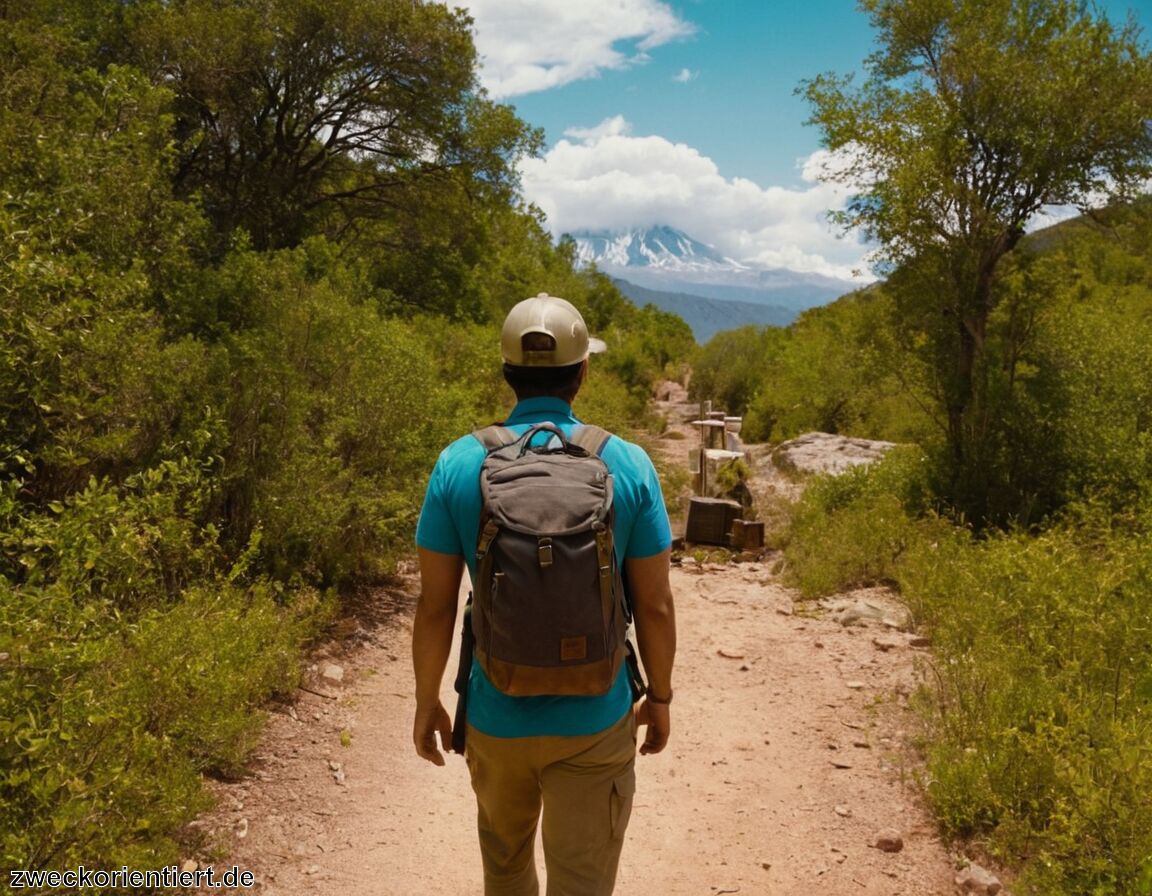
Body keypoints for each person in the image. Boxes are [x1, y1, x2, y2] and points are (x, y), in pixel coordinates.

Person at [412, 292, 677, 896]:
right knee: (582, 883)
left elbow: (435, 607)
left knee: (505, 874)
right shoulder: (628, 464)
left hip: (496, 715)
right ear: (583, 372)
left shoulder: (458, 463)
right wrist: (658, 697)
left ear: (507, 372)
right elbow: (656, 605)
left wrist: (427, 701)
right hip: (595, 716)